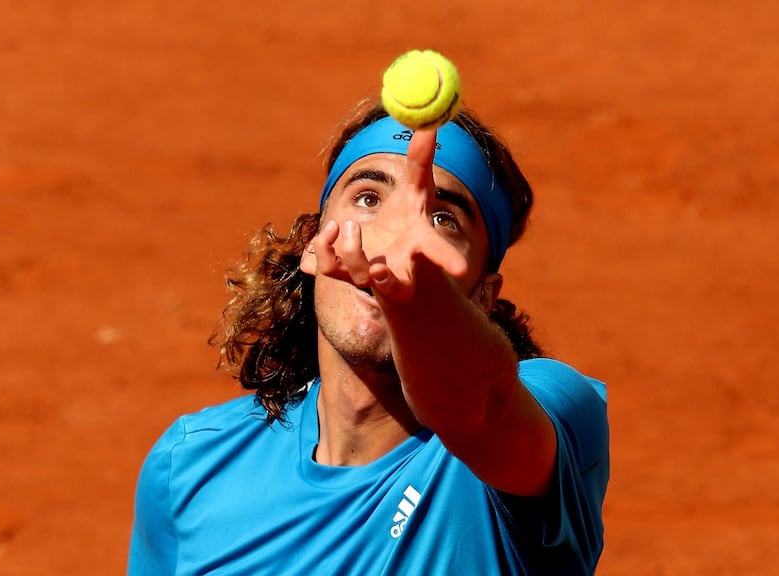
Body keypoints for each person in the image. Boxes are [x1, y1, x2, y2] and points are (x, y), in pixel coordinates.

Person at [128, 99, 610, 575]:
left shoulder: (557, 418)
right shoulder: (192, 468)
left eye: (443, 218)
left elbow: (483, 409)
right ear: (316, 245)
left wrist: (414, 293)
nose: (391, 238)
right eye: (369, 198)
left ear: (483, 294)